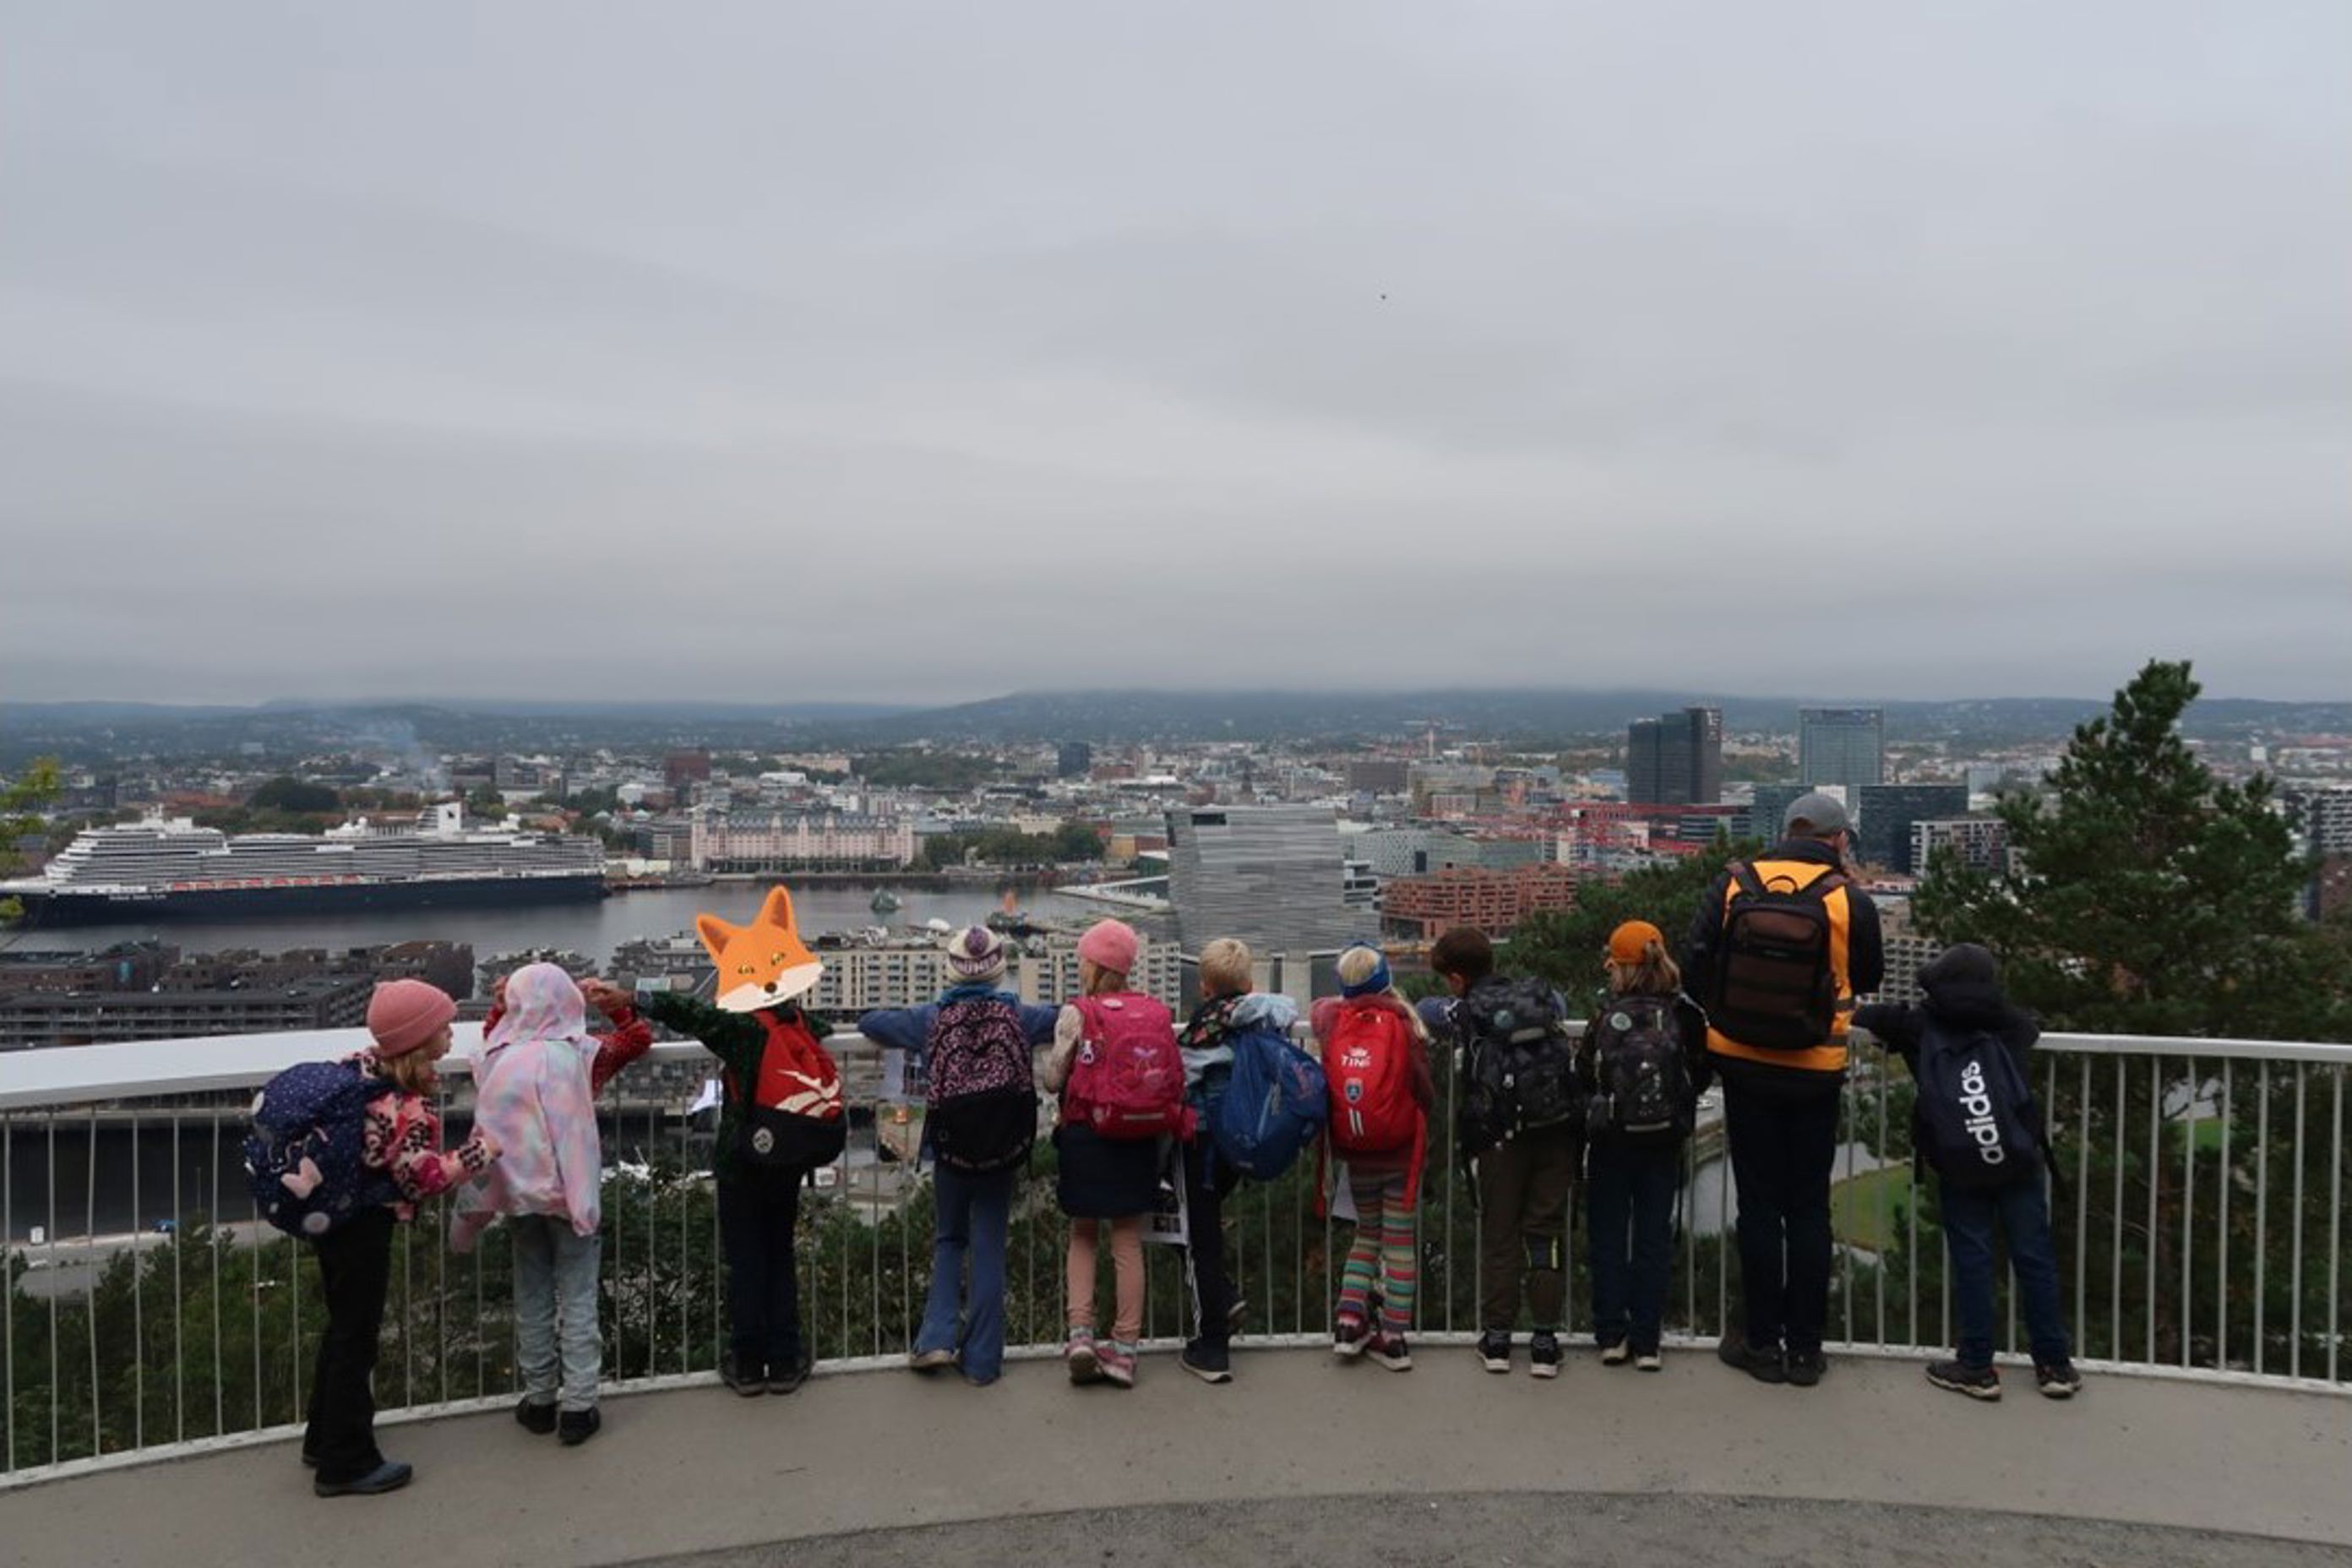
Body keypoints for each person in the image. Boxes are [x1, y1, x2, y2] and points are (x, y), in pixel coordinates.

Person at [1684, 792, 1882, 1388]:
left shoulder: (1735, 884)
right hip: (1814, 1065)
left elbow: (1696, 962)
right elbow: (1868, 975)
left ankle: (1759, 1340)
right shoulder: (1848, 899)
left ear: (1786, 830)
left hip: (1741, 1061)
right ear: (1838, 838)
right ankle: (1806, 1349)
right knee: (1808, 1207)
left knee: (1759, 1206)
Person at [1856, 945, 2082, 1401]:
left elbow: (1869, 1017)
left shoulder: (1921, 1025)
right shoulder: (2009, 1023)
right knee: (2034, 1257)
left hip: (1961, 1160)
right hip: (2017, 1155)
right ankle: (2055, 1364)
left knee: (1973, 1258)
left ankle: (1977, 1364)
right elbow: (2031, 1032)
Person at [306, 979, 499, 1497]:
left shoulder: (354, 1070)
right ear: (417, 1039)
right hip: (366, 1223)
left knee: (341, 1326)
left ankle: (322, 1438)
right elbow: (424, 1178)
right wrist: (481, 1152)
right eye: (441, 1027)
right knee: (357, 1337)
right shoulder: (403, 1105)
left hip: (329, 1217)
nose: (449, 1035)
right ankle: (345, 1462)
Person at [645, 886, 840, 1398]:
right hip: (787, 1160)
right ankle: (787, 1356)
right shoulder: (801, 1023)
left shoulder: (741, 1031)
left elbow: (692, 1015)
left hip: (741, 1159)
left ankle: (748, 1361)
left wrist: (637, 997)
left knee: (746, 1258)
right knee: (779, 1252)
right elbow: (819, 1027)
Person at [450, 964, 651, 1446]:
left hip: (517, 1193)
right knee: (578, 1298)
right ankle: (579, 1407)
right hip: (570, 1193)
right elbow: (638, 1037)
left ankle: (539, 1399)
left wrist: (502, 1004)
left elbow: (491, 1031)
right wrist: (616, 1004)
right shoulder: (584, 1054)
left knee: (533, 1295)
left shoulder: (497, 1055)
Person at [857, 927, 1058, 1387]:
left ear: (950, 971)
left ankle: (935, 1339)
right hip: (1002, 1149)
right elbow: (1069, 1017)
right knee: (989, 1243)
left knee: (950, 1239)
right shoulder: (1022, 1018)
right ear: (999, 971)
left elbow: (871, 1023)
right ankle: (983, 1361)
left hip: (950, 1147)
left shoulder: (930, 1018)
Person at [1424, 927, 1581, 1378]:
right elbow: (1563, 1010)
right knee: (1544, 1233)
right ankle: (1546, 1342)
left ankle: (1496, 1340)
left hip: (1499, 1136)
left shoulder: (1463, 1009)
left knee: (1500, 1235)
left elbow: (1424, 1011)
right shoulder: (1540, 996)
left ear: (1456, 978)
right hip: (1555, 1129)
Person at [1038, 919, 1180, 1390]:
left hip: (1086, 1134)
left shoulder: (1078, 1012)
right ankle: (1124, 1350)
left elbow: (1055, 1078)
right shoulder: (1155, 1013)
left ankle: (1080, 1336)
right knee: (1126, 1241)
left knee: (1082, 1234)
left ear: (1095, 965)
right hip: (1138, 1136)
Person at [1577, 921, 1709, 1371]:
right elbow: (1700, 1071)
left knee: (1609, 1235)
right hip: (1664, 1138)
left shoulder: (1606, 1012)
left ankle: (1612, 1334)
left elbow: (1584, 1073)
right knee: (1654, 1237)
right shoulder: (1684, 1012)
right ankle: (1648, 1340)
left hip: (1612, 1139)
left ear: (1621, 966)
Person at [1173, 936, 1293, 1384]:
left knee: (1196, 1235)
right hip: (1246, 1138)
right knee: (1200, 1231)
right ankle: (1222, 1297)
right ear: (1249, 983)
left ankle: (1212, 1343)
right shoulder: (1266, 1019)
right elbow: (1288, 1007)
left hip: (1202, 1143)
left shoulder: (1202, 1029)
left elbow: (1181, 1084)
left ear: (1204, 988)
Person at [1313, 943, 1434, 1372]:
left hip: (1356, 1148)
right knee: (1398, 1240)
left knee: (1366, 1234)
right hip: (1399, 1149)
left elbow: (1319, 1008)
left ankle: (1348, 1323)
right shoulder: (1404, 1023)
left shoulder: (1332, 1020)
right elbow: (1424, 1087)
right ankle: (1394, 1336)